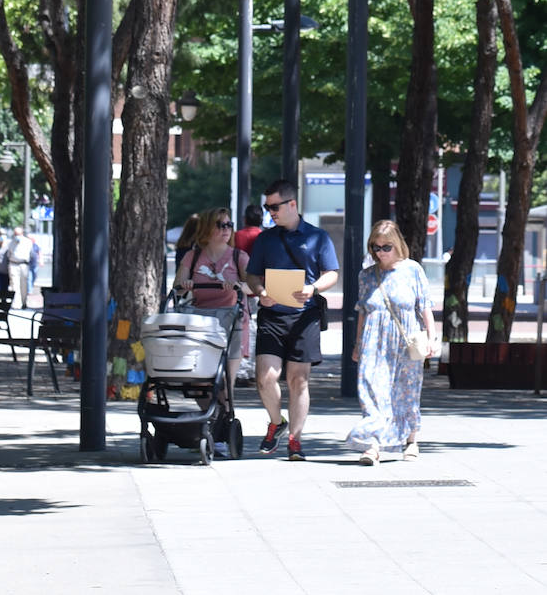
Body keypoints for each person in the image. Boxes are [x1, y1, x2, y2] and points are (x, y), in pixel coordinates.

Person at [246, 178, 339, 462]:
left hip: (305, 316)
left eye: (275, 206)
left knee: (298, 380)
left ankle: (295, 440)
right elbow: (251, 275)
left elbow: (332, 273)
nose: (270, 212)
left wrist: (314, 288)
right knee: (266, 378)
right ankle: (277, 421)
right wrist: (261, 292)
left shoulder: (318, 237)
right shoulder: (265, 239)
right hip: (272, 315)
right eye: (267, 207)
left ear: (292, 204)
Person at [346, 219, 436, 465]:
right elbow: (363, 311)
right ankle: (373, 446)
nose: (381, 252)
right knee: (372, 390)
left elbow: (425, 306)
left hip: (404, 341)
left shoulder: (412, 269)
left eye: (386, 247)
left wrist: (432, 338)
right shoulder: (366, 275)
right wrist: (357, 344)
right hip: (373, 340)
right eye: (376, 247)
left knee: (406, 391)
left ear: (398, 245)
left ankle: (411, 440)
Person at [174, 206, 250, 453]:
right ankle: (208, 425)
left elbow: (253, 287)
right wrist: (184, 285)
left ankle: (221, 431)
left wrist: (237, 285)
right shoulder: (192, 257)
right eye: (220, 225)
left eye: (228, 225)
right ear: (208, 228)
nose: (226, 229)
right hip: (201, 323)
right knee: (202, 381)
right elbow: (177, 287)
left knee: (224, 383)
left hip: (231, 322)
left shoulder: (238, 257)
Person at [7, 225, 33, 309]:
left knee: (23, 285)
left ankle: (24, 302)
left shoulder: (28, 242)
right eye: (15, 234)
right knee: (14, 285)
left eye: (18, 234)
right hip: (14, 264)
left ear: (22, 234)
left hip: (24, 265)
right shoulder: (11, 242)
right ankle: (16, 304)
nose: (16, 236)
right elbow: (9, 254)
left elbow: (31, 254)